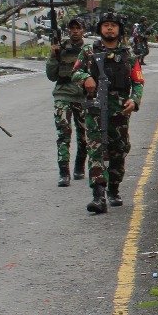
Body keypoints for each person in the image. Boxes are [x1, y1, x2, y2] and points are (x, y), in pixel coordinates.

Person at [72, 11, 143, 215]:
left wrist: (135, 100)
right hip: (95, 109)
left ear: (119, 29)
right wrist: (85, 78)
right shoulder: (88, 51)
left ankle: (114, 189)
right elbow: (75, 72)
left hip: (120, 111)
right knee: (95, 149)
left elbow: (138, 81)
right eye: (105, 25)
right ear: (100, 28)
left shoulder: (129, 55)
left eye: (113, 25)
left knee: (119, 151)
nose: (109, 28)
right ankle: (98, 194)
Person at [46, 16, 89, 187]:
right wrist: (53, 56)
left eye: (78, 28)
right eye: (72, 29)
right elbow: (51, 76)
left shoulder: (88, 50)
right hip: (62, 94)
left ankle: (79, 166)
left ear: (83, 30)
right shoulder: (61, 48)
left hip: (82, 96)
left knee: (84, 135)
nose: (75, 32)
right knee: (63, 133)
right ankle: (64, 172)